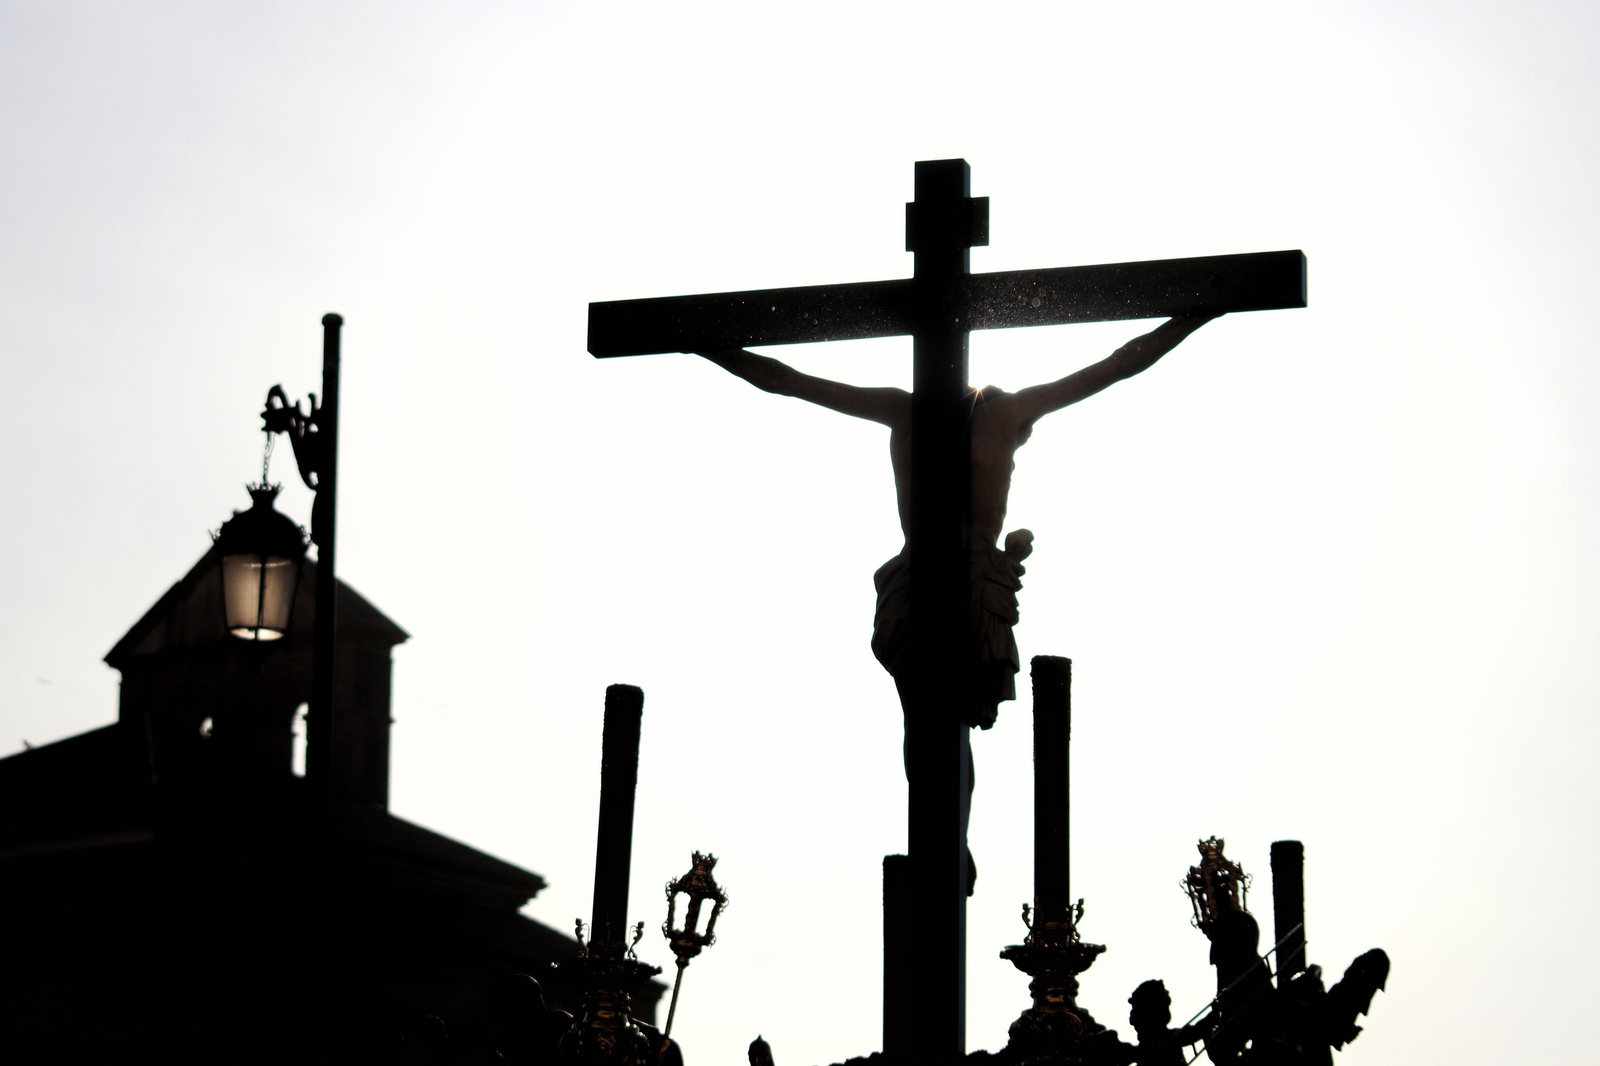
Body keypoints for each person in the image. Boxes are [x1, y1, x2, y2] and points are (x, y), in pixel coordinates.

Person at [696, 312, 1222, 890]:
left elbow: (785, 379)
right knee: (940, 726)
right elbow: (1124, 362)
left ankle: (945, 838)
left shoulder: (906, 407)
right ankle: (949, 839)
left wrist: (704, 343)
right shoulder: (1008, 412)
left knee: (927, 722)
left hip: (933, 582)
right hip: (946, 582)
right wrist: (1199, 313)